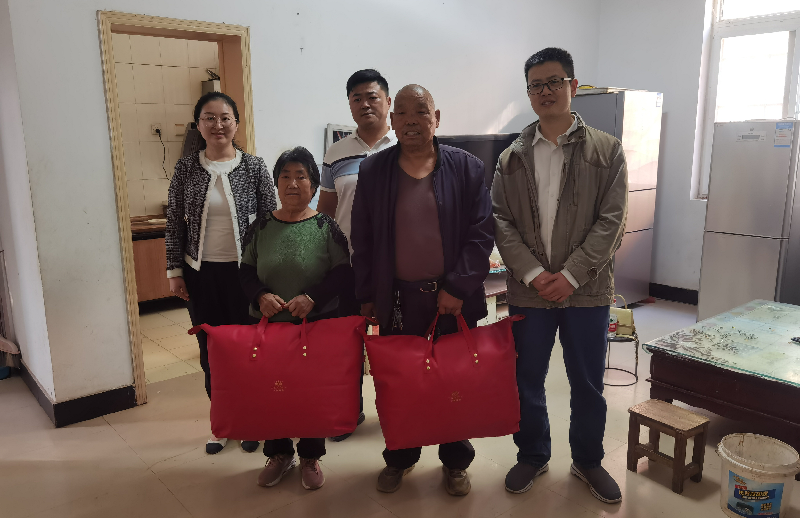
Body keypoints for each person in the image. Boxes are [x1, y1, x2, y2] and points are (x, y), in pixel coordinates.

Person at [492, 48, 627, 504]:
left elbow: (612, 221)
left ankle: (588, 460)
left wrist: (571, 275)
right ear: (529, 93)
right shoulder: (511, 157)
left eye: (553, 82)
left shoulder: (607, 151)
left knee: (587, 382)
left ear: (573, 86)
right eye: (536, 85)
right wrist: (533, 273)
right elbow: (500, 221)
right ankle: (532, 453)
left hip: (587, 291)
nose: (545, 91)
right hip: (529, 293)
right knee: (526, 379)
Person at [350, 84, 494, 496]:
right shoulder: (374, 171)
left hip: (452, 301)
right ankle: (400, 457)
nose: (411, 120)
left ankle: (455, 462)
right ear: (392, 120)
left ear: (436, 118)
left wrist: (458, 287)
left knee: (453, 384)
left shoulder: (466, 168)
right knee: (402, 385)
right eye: (403, 112)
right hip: (396, 300)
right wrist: (367, 295)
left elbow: (482, 233)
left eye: (421, 111)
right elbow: (363, 237)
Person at [166, 92, 276, 455]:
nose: (218, 125)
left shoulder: (254, 167)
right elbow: (174, 222)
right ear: (198, 124)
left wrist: (269, 272)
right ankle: (222, 422)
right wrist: (174, 270)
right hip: (201, 275)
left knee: (248, 349)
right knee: (211, 349)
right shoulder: (186, 168)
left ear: (236, 123)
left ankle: (250, 420)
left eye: (225, 118)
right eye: (209, 118)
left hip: (245, 276)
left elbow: (270, 220)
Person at [239, 146, 351, 491]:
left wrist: (312, 297)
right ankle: (278, 453)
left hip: (313, 327)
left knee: (309, 393)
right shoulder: (260, 226)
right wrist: (260, 295)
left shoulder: (325, 226)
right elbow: (245, 271)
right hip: (269, 328)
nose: (292, 183)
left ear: (314, 185)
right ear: (276, 184)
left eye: (301, 176)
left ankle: (310, 456)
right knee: (273, 392)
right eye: (285, 176)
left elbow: (342, 272)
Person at [317, 68, 397, 442]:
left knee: (395, 343)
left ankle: (397, 411)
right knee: (345, 345)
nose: (365, 104)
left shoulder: (405, 144)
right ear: (349, 105)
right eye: (357, 98)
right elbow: (326, 212)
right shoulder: (336, 152)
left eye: (372, 96)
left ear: (388, 101)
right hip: (348, 265)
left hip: (398, 266)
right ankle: (348, 411)